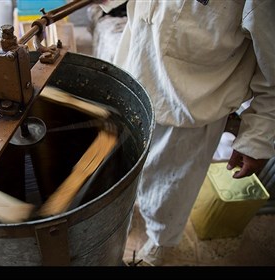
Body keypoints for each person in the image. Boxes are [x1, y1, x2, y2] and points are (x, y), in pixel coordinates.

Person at [95, 0, 275, 265]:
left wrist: (257, 138)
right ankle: (129, 212)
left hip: (188, 113)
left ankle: (158, 244)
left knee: (168, 194)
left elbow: (272, 75)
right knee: (124, 167)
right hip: (135, 79)